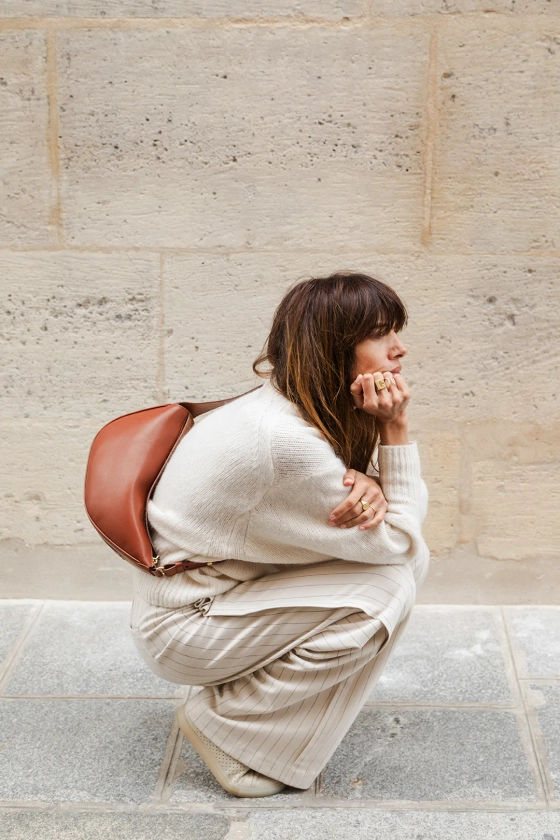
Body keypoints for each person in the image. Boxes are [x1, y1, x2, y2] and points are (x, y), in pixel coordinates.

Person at [129, 271, 430, 798]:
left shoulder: (284, 405)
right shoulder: (283, 443)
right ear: (338, 347)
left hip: (207, 602)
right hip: (185, 629)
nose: (399, 349)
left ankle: (262, 726)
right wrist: (395, 430)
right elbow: (400, 539)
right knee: (385, 588)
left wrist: (373, 480)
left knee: (397, 571)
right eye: (382, 334)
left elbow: (382, 525)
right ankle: (226, 722)